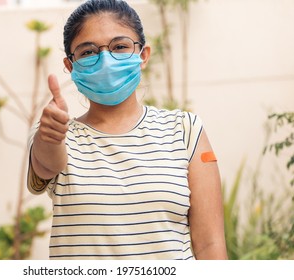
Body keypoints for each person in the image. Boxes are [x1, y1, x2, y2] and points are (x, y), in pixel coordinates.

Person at [27, 0, 227, 260]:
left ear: (143, 55)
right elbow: (45, 164)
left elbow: (210, 244)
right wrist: (50, 137)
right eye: (88, 52)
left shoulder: (185, 130)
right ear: (70, 66)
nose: (106, 60)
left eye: (119, 47)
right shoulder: (56, 133)